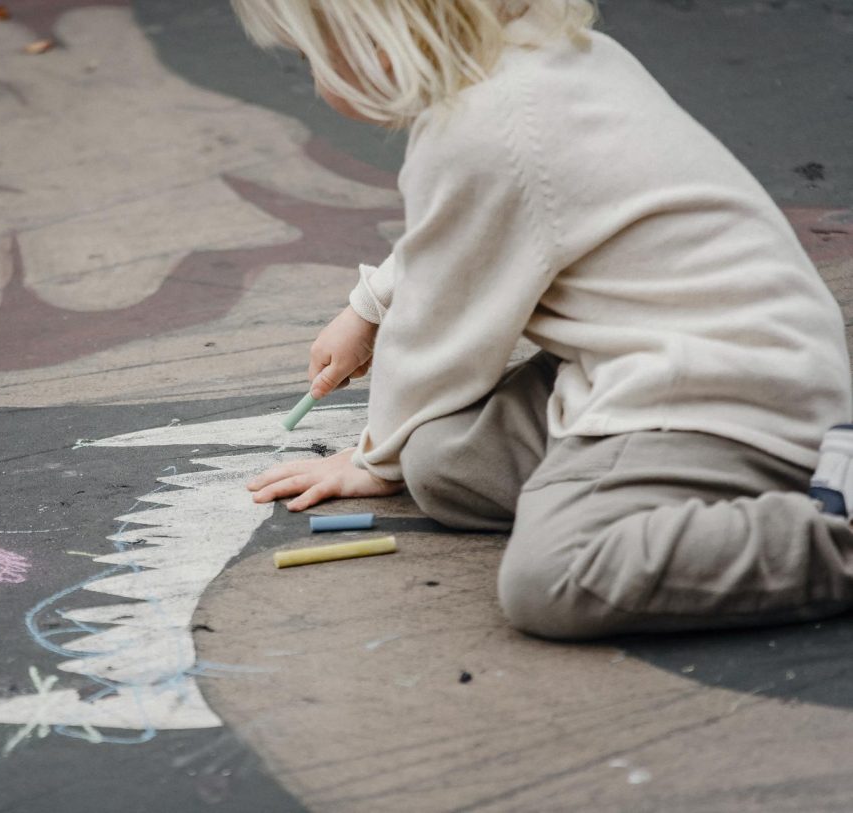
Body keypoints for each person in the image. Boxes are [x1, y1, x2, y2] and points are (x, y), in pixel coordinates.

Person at [233, 0, 853, 639]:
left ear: (377, 40)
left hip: (717, 396)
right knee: (442, 462)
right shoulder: (545, 62)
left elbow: (439, 333)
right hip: (697, 357)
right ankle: (673, 499)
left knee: (553, 576)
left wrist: (371, 458)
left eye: (314, 55)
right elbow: (463, 234)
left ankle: (833, 535)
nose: (315, 80)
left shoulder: (481, 131)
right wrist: (368, 310)